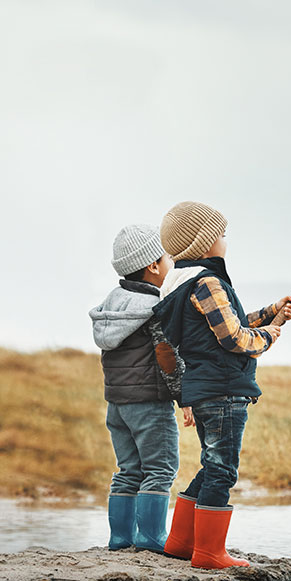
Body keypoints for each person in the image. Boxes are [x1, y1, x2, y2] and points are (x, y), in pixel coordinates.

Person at [153, 201, 291, 569]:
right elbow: (233, 337)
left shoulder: (184, 282)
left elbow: (221, 323)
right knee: (223, 470)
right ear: (204, 244)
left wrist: (270, 311)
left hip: (203, 389)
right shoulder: (208, 281)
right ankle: (208, 553)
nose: (224, 239)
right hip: (224, 390)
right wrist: (267, 336)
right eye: (220, 233)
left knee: (211, 463)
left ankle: (180, 543)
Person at [89, 224, 184, 552]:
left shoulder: (112, 305)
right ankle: (152, 539)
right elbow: (165, 354)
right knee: (160, 469)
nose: (172, 262)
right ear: (153, 266)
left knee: (128, 470)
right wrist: (183, 395)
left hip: (117, 404)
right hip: (150, 402)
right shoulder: (155, 306)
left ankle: (120, 539)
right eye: (168, 256)